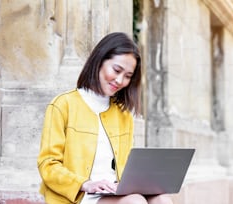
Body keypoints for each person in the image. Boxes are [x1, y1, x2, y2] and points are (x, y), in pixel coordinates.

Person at [37, 32, 173, 204]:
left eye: (128, 76)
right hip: (80, 195)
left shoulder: (124, 115)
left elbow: (127, 168)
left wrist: (140, 183)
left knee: (162, 200)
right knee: (134, 202)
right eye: (116, 70)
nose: (120, 80)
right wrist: (86, 184)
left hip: (115, 193)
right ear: (100, 60)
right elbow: (48, 164)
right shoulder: (63, 105)